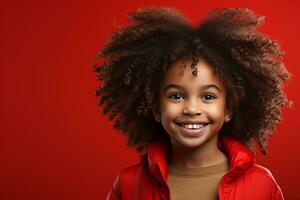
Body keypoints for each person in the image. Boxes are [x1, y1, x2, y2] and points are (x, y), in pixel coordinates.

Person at [92, 6, 292, 200]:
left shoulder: (262, 185)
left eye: (208, 96)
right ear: (155, 106)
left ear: (228, 108)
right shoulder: (129, 184)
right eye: (176, 96)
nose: (192, 109)